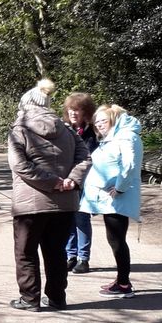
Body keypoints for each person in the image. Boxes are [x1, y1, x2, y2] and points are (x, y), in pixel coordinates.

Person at [7, 84, 92, 312]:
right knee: (56, 252)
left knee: (26, 252)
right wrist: (70, 180)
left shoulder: (20, 129)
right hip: (64, 202)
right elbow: (85, 157)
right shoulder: (67, 130)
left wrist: (51, 181)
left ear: (25, 105)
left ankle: (29, 299)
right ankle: (56, 298)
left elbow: (20, 166)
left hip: (30, 204)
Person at [80, 104, 143, 298]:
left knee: (117, 240)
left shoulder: (125, 136)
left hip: (117, 200)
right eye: (96, 122)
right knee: (115, 239)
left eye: (103, 121)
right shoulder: (115, 137)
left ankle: (124, 284)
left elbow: (129, 164)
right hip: (110, 200)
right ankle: (121, 279)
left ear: (113, 119)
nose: (99, 125)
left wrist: (120, 188)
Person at [62, 92, 99, 274]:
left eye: (77, 110)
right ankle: (71, 256)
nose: (73, 113)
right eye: (70, 110)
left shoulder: (92, 133)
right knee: (68, 220)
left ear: (86, 112)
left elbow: (90, 158)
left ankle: (84, 258)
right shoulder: (64, 130)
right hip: (67, 183)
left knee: (81, 220)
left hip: (85, 184)